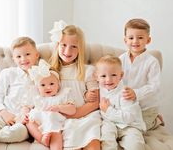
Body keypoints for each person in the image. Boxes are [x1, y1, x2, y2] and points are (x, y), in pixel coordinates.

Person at [49, 20, 101, 150]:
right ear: (57, 45)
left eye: (74, 46)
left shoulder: (88, 71)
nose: (68, 50)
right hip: (63, 117)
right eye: (64, 45)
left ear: (80, 49)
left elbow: (95, 101)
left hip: (87, 116)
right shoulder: (51, 72)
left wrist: (77, 113)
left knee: (93, 144)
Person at [120, 18, 163, 130]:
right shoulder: (120, 60)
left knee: (138, 128)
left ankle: (155, 121)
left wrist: (136, 93)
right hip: (126, 106)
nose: (135, 41)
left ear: (148, 40)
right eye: (131, 38)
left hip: (146, 107)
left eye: (140, 38)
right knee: (121, 126)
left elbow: (154, 86)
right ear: (125, 40)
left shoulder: (152, 62)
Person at [95, 55, 146, 150]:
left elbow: (129, 117)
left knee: (135, 145)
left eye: (113, 75)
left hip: (129, 125)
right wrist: (87, 94)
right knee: (106, 141)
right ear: (97, 77)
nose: (108, 80)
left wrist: (108, 110)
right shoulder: (99, 88)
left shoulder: (125, 93)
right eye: (103, 76)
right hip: (109, 123)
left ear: (121, 75)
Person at [24, 59, 76, 150]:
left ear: (58, 85)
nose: (47, 87)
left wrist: (59, 108)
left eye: (51, 84)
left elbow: (73, 110)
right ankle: (41, 139)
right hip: (39, 122)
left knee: (55, 132)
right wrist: (25, 114)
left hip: (54, 123)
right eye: (42, 85)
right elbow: (26, 106)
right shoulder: (36, 97)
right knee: (29, 121)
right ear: (37, 87)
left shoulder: (62, 95)